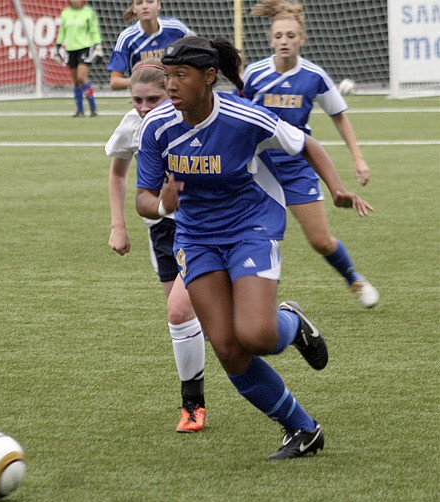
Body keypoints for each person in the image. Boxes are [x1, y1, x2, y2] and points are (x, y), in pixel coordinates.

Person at [136, 36, 374, 459]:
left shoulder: (244, 117)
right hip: (196, 237)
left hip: (251, 226)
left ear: (210, 77)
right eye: (167, 76)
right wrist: (161, 204)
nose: (170, 86)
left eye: (180, 76)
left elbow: (307, 144)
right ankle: (302, 429)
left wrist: (336, 189)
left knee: (258, 336)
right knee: (228, 347)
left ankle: (290, 321)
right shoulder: (156, 127)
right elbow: (143, 199)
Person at [241, 0, 379, 308]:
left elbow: (338, 115)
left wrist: (358, 157)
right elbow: (239, 113)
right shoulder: (254, 74)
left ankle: (353, 278)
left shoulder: (314, 76)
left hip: (297, 166)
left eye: (290, 35)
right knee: (257, 236)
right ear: (270, 39)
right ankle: (254, 301)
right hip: (258, 168)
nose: (284, 41)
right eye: (278, 36)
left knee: (321, 240)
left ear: (301, 39)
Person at [106, 59, 206, 433]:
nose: (145, 108)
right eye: (137, 100)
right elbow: (117, 173)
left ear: (170, 91)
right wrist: (119, 226)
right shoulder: (133, 125)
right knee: (189, 319)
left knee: (183, 314)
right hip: (160, 231)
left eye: (153, 99)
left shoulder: (192, 117)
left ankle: (192, 406)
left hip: (198, 226)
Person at [107, 0, 192, 91]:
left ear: (158, 5)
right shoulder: (127, 38)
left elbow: (195, 57)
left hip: (174, 91)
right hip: (145, 95)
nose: (144, 6)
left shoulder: (177, 28)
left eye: (150, 2)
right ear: (134, 9)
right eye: (139, 3)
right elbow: (114, 82)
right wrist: (146, 80)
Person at [54, 0, 103, 117]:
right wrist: (58, 47)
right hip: (71, 49)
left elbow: (94, 30)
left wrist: (98, 46)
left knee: (82, 77)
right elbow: (62, 31)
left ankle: (93, 107)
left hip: (85, 47)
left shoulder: (88, 12)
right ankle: (80, 110)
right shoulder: (66, 13)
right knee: (76, 81)